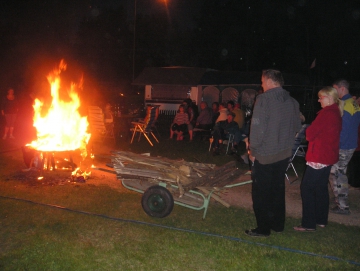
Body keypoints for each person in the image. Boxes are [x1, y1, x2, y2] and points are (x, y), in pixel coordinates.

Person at [245, 69, 301, 237]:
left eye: (262, 82)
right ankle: (278, 224)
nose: (262, 85)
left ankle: (263, 229)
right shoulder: (293, 102)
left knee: (261, 194)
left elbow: (257, 128)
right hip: (284, 155)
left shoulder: (263, 100)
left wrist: (252, 150)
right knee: (277, 190)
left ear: (269, 81)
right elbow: (297, 128)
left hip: (265, 155)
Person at [293, 87, 342, 232]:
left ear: (329, 98)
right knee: (320, 188)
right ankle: (321, 219)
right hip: (327, 156)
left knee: (307, 188)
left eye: (321, 97)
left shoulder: (327, 113)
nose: (319, 100)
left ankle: (308, 223)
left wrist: (308, 129)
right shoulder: (336, 112)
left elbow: (310, 134)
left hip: (319, 156)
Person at [329, 79, 360, 215]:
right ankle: (340, 201)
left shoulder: (345, 104)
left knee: (337, 174)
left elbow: (344, 129)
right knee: (338, 173)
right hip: (350, 144)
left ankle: (342, 205)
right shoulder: (353, 103)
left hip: (343, 145)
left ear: (342, 89)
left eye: (335, 89)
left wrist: (337, 145)